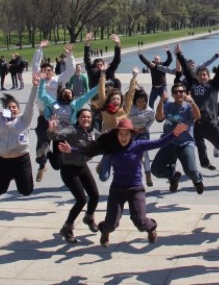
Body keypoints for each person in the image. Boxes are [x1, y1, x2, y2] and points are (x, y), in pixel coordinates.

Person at [64, 118, 188, 247]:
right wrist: (71, 150)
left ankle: (151, 228)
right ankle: (105, 231)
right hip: (117, 190)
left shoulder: (139, 145)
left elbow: (159, 143)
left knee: (141, 222)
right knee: (111, 224)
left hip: (136, 189)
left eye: (126, 134)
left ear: (132, 134)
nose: (123, 137)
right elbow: (91, 151)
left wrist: (174, 133)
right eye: (120, 134)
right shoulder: (111, 147)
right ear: (116, 134)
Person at [175, 41, 219, 170]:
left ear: (208, 76)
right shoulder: (193, 84)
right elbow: (186, 68)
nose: (202, 76)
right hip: (198, 122)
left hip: (211, 123)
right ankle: (205, 162)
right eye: (200, 75)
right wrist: (179, 55)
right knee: (198, 139)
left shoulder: (213, 85)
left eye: (205, 74)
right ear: (197, 76)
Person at [47, 110, 100, 244]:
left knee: (94, 195)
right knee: (81, 200)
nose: (86, 119)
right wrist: (51, 130)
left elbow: (105, 138)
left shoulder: (93, 133)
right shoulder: (72, 130)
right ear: (78, 118)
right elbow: (56, 136)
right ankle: (67, 227)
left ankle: (89, 218)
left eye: (88, 117)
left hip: (82, 167)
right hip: (69, 169)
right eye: (83, 117)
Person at [30, 41, 76, 181]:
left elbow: (71, 70)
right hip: (44, 116)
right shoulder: (39, 79)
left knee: (60, 147)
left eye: (49, 70)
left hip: (59, 118)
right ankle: (42, 165)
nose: (47, 72)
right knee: (41, 142)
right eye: (44, 71)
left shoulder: (58, 80)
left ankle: (64, 166)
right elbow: (34, 65)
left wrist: (69, 56)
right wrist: (39, 49)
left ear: (53, 71)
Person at [151, 83, 203, 193]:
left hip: (185, 143)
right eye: (176, 92)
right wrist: (161, 101)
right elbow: (159, 118)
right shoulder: (169, 106)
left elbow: (198, 116)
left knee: (191, 170)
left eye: (181, 91)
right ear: (173, 95)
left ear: (185, 93)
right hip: (169, 143)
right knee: (156, 170)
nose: (178, 94)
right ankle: (173, 175)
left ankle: (197, 180)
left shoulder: (188, 107)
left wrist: (192, 102)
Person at [128, 88, 157, 187]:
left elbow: (152, 119)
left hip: (143, 133)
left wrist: (146, 127)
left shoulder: (149, 111)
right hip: (131, 132)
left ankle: (148, 174)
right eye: (138, 101)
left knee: (145, 154)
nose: (140, 104)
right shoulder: (130, 108)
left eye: (143, 102)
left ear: (146, 101)